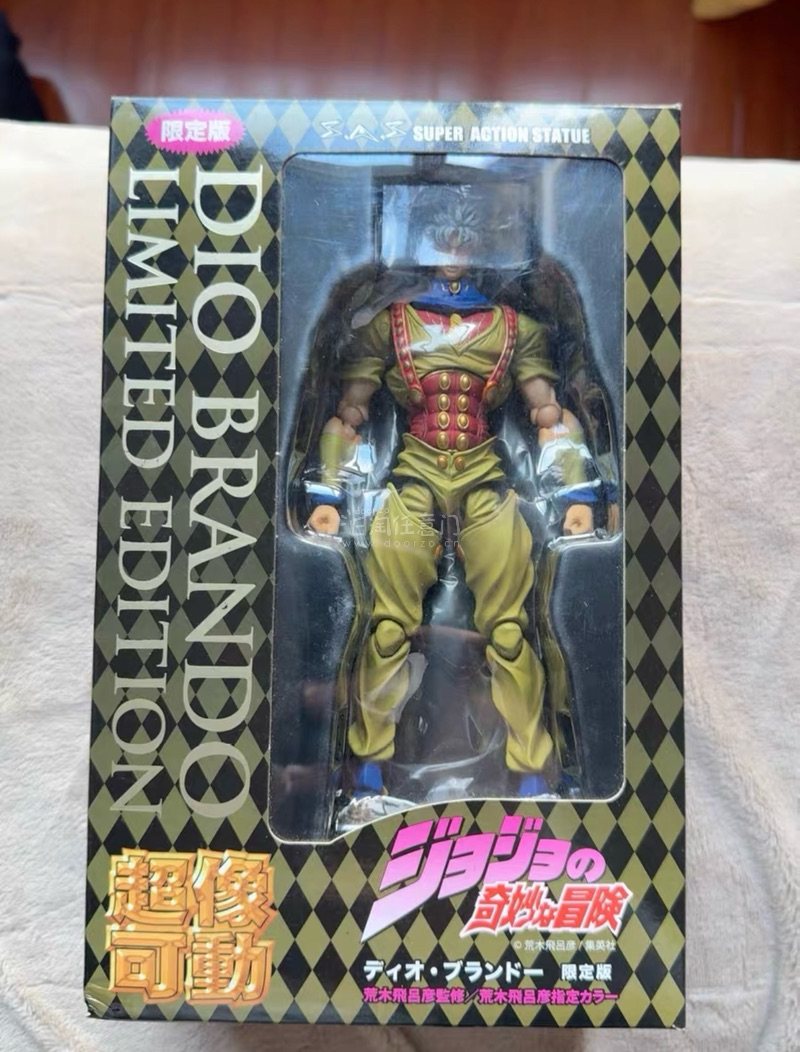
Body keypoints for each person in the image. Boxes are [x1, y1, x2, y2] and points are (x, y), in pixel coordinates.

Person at [307, 198, 597, 799]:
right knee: (387, 626)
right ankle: (367, 769)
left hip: (486, 479)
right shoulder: (390, 324)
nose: (453, 252)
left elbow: (548, 414)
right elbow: (350, 412)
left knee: (510, 631)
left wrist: (574, 491)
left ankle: (532, 771)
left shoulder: (514, 329)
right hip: (413, 477)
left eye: (465, 238)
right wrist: (328, 492)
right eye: (441, 238)